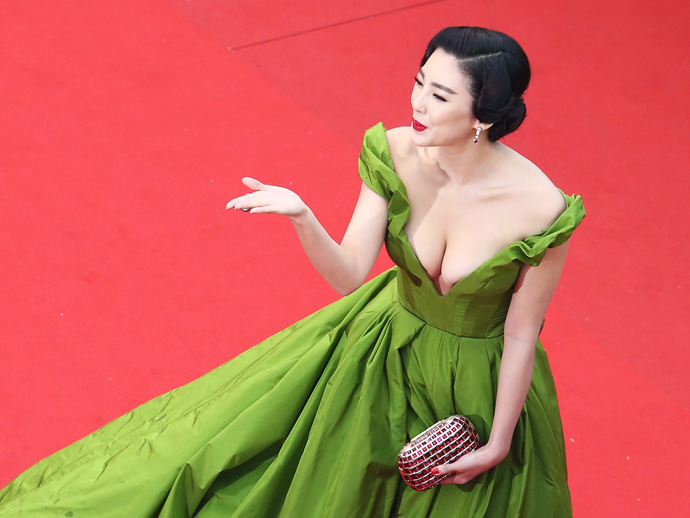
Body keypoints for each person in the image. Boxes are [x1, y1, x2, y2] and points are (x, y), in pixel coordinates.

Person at [0, 26, 584, 517]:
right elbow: (349, 274)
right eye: (417, 82)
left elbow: (520, 333)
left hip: (481, 385)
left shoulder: (540, 209)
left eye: (439, 95)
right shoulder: (396, 152)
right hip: (382, 352)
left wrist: (499, 441)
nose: (417, 104)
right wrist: (303, 216)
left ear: (483, 114)